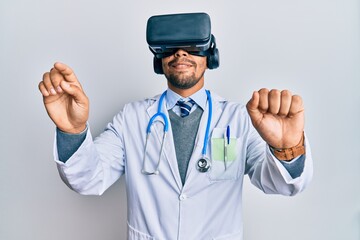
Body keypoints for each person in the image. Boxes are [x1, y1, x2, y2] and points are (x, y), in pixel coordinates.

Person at [38, 13, 313, 240]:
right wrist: (72, 130)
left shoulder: (237, 119)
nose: (180, 53)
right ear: (159, 59)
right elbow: (88, 179)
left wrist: (286, 148)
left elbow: (282, 185)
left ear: (211, 56)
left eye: (192, 47)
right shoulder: (132, 118)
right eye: (170, 48)